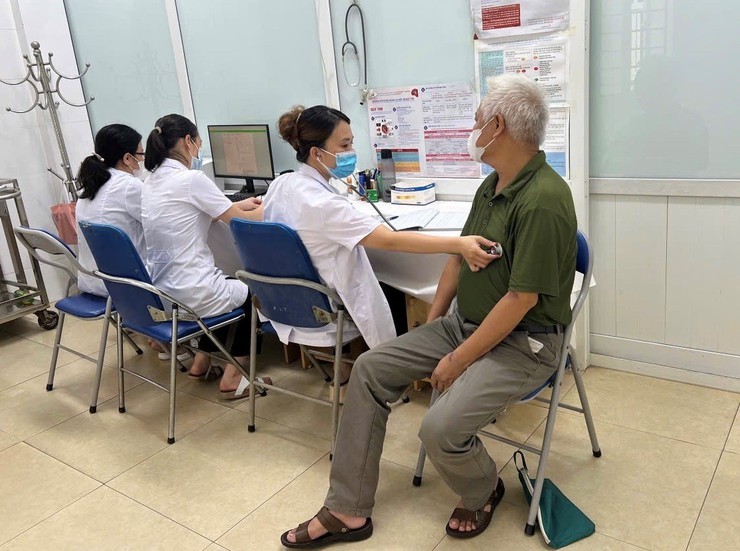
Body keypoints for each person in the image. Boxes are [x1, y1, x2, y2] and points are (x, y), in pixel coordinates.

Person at [280, 74, 578, 547]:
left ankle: (483, 489)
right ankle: (347, 509)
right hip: (464, 325)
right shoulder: (492, 185)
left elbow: (521, 300)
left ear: (497, 127)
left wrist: (456, 360)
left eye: (477, 121)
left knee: (438, 429)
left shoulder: (544, 199)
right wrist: (436, 324)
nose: (473, 130)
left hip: (526, 343)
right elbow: (457, 258)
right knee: (370, 369)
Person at [264, 105, 497, 358]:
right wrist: (458, 244)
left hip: (291, 301)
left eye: (351, 143)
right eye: (344, 145)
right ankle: (398, 362)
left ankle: (357, 365)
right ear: (316, 153)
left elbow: (263, 217)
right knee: (395, 284)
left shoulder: (283, 183)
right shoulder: (324, 204)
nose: (351, 152)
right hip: (324, 306)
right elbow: (390, 241)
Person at [142, 114, 264, 398]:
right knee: (249, 292)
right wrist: (274, 203)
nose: (199, 148)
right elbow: (240, 221)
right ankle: (234, 378)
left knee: (223, 282)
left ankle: (202, 362)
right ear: (188, 141)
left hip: (164, 292)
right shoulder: (191, 179)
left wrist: (235, 204)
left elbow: (196, 210)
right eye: (198, 142)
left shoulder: (152, 180)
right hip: (192, 292)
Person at [75, 124, 147, 298]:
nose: (142, 160)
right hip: (125, 286)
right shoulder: (129, 185)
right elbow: (159, 222)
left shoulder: (91, 184)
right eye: (141, 154)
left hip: (93, 280)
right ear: (127, 158)